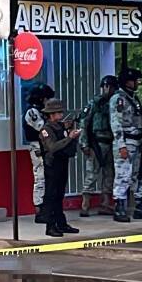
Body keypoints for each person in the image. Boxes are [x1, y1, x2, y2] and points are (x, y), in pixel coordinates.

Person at [110, 68, 142, 222]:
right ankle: (119, 208)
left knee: (140, 174)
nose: (137, 83)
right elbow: (115, 123)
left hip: (138, 141)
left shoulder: (134, 98)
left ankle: (140, 207)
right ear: (127, 82)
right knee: (123, 175)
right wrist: (121, 145)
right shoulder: (119, 99)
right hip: (126, 141)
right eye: (135, 80)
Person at [39, 98, 81, 237]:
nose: (61, 114)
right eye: (58, 112)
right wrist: (69, 138)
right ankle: (50, 226)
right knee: (51, 195)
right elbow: (52, 147)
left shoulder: (60, 126)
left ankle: (61, 223)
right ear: (51, 114)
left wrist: (70, 132)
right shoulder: (46, 129)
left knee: (59, 195)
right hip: (52, 165)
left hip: (62, 162)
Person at [78, 75, 118, 217]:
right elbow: (84, 123)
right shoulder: (94, 103)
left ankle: (105, 204)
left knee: (109, 174)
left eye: (112, 87)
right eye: (107, 87)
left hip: (111, 142)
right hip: (97, 143)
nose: (109, 90)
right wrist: (84, 144)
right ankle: (85, 205)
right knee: (92, 174)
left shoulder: (115, 104)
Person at [23, 82, 55, 224]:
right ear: (41, 98)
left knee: (47, 177)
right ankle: (40, 210)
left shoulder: (41, 111)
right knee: (40, 177)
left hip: (44, 147)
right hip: (37, 147)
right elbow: (43, 129)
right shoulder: (32, 112)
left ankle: (47, 208)